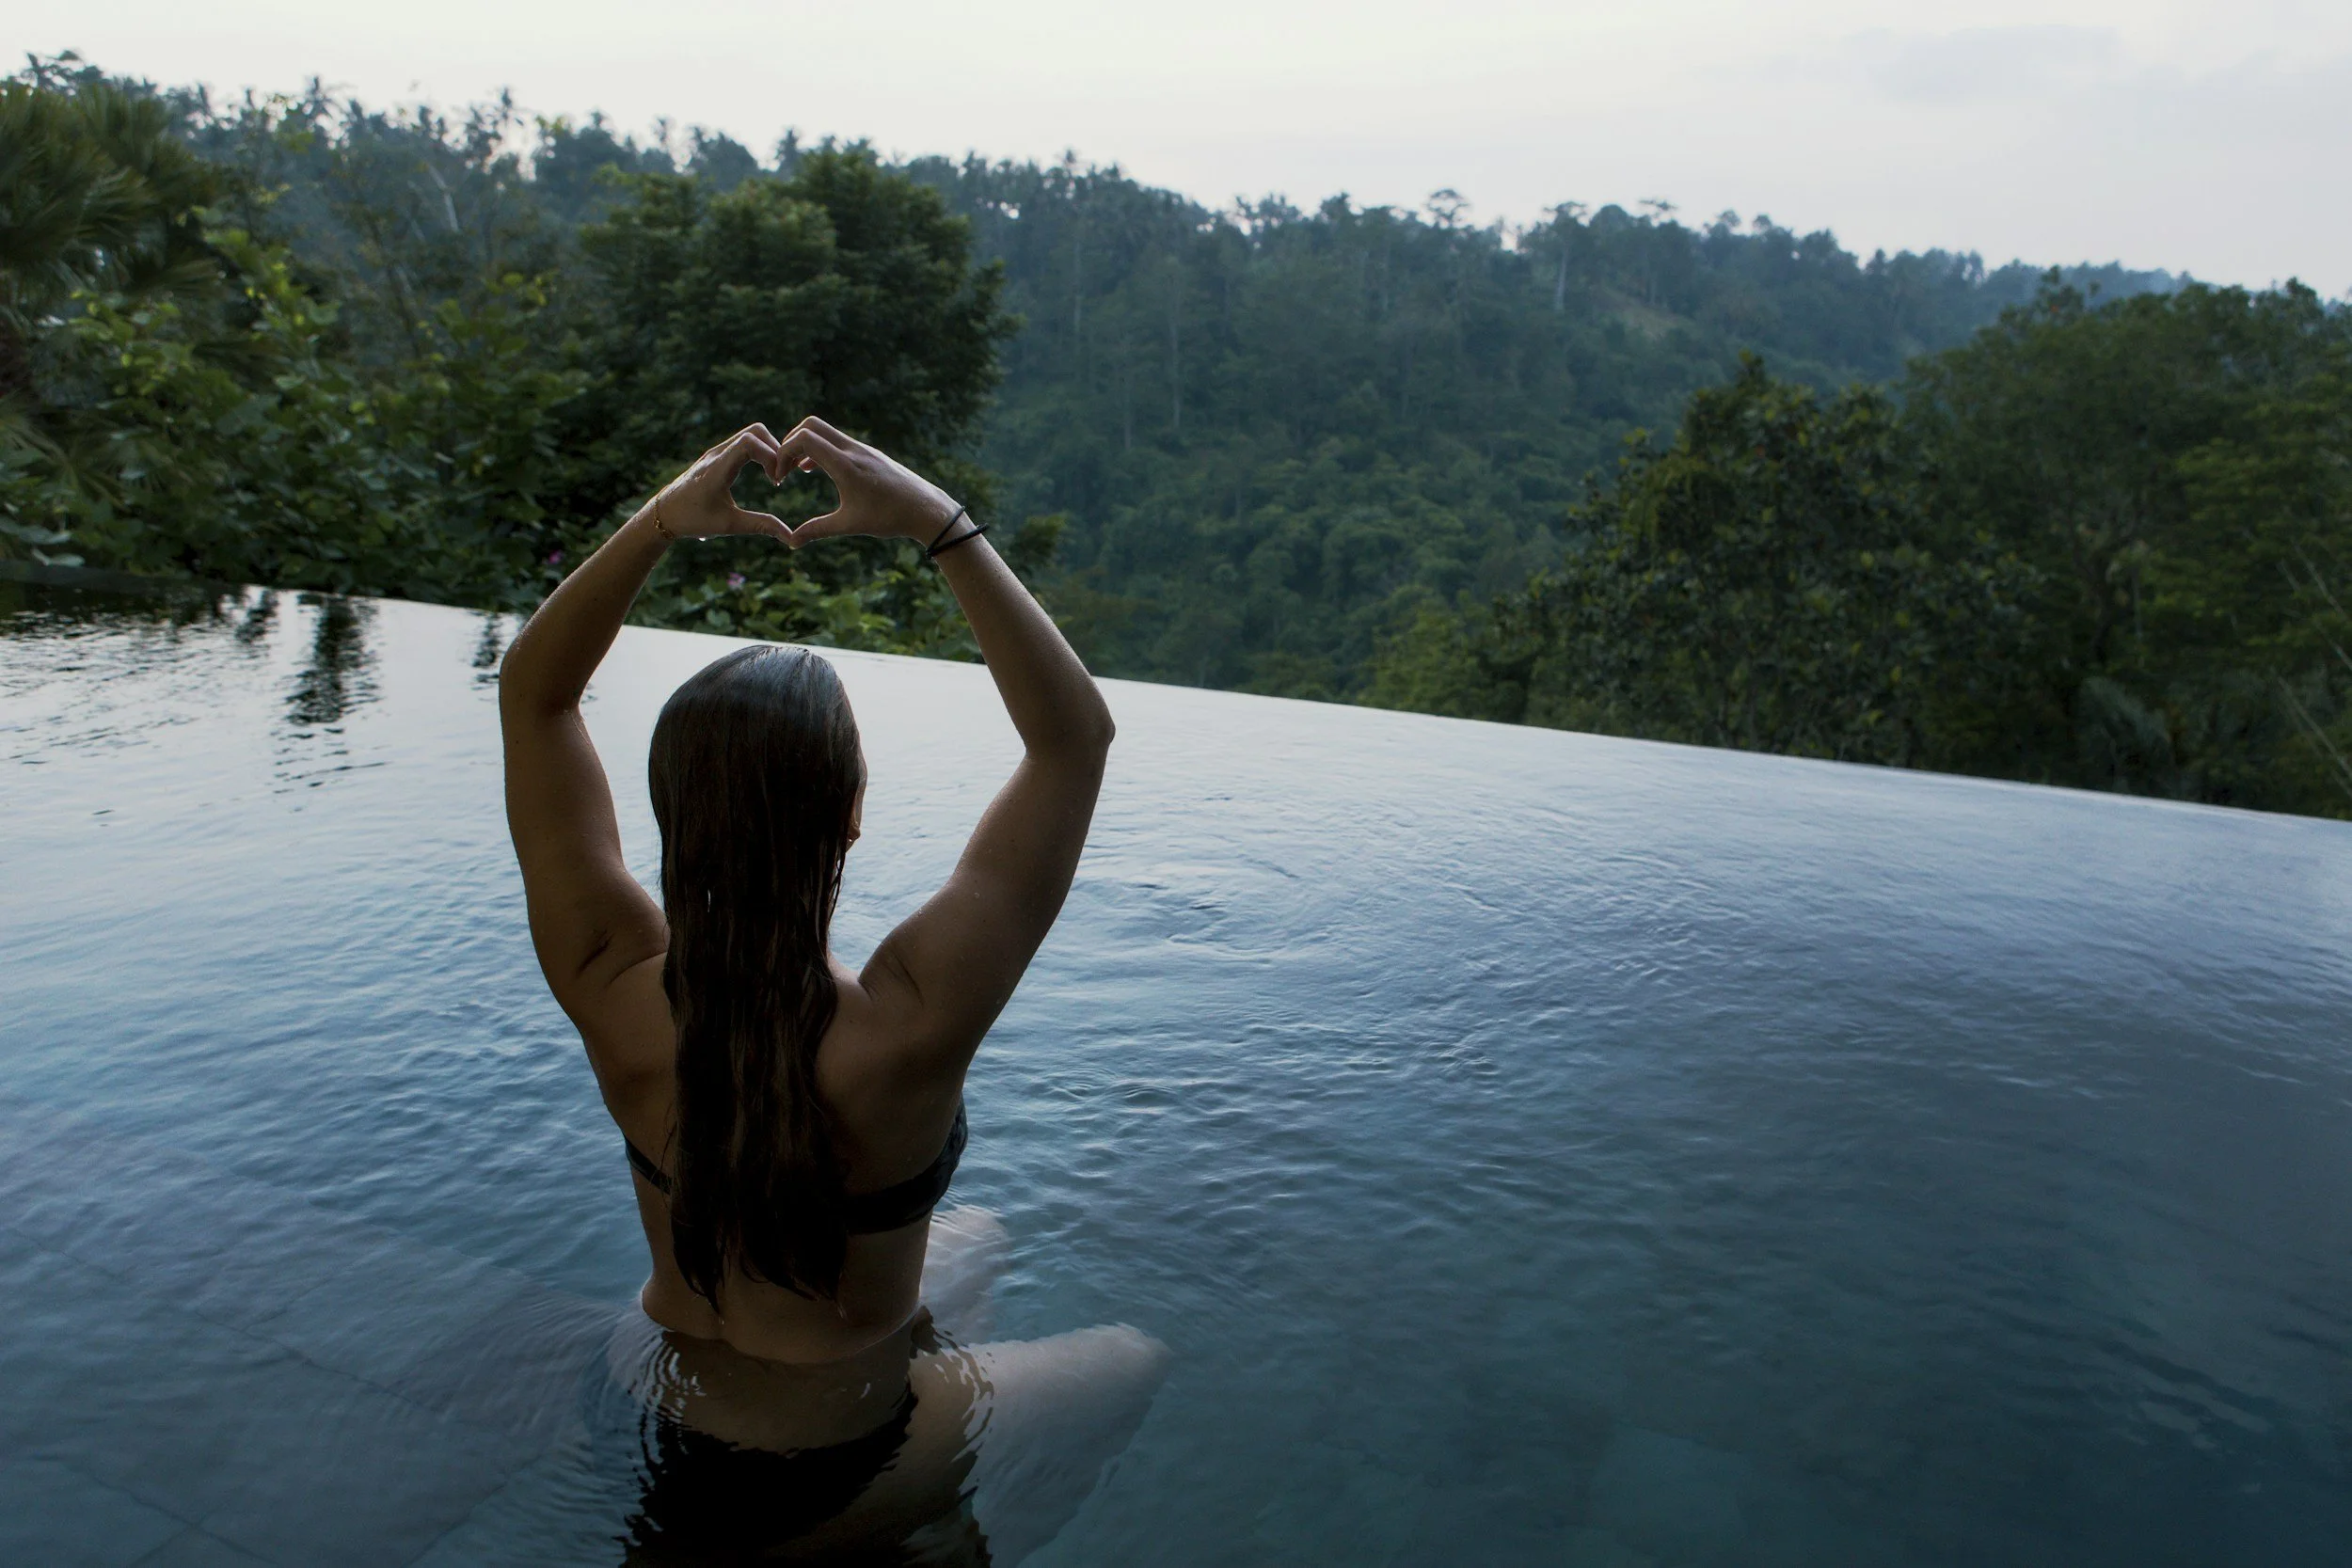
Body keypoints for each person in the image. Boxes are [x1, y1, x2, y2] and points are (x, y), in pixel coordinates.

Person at [499, 419, 1168, 1561]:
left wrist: (663, 519)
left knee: (982, 1237)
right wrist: (937, 522)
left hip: (645, 1386)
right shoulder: (909, 1019)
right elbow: (1073, 742)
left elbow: (534, 694)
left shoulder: (608, 977)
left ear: (670, 815)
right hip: (832, 1451)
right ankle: (891, 1528)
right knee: (1135, 1358)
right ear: (850, 816)